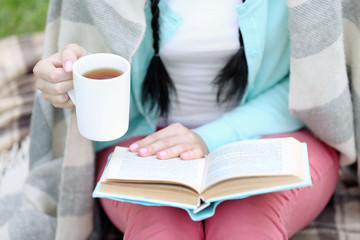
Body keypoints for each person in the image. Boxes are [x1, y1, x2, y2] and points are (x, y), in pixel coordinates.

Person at [32, 0, 340, 239]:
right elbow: (108, 84)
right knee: (161, 231)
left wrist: (211, 137)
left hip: (274, 131)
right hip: (147, 142)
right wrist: (73, 79)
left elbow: (315, 82)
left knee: (246, 227)